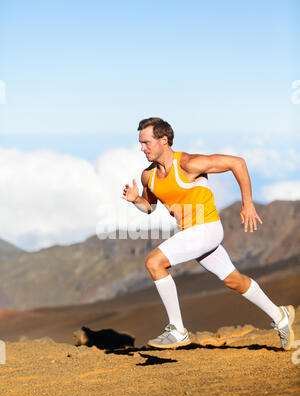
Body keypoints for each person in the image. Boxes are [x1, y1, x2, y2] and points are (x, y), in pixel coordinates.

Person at [122, 117, 295, 350]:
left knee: (154, 262)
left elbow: (238, 163)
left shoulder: (189, 164)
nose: (142, 148)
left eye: (146, 142)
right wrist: (136, 200)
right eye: (140, 143)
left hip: (207, 228)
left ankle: (178, 330)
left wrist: (248, 204)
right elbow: (149, 207)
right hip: (192, 234)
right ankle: (280, 315)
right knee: (233, 280)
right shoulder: (148, 176)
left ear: (164, 140)